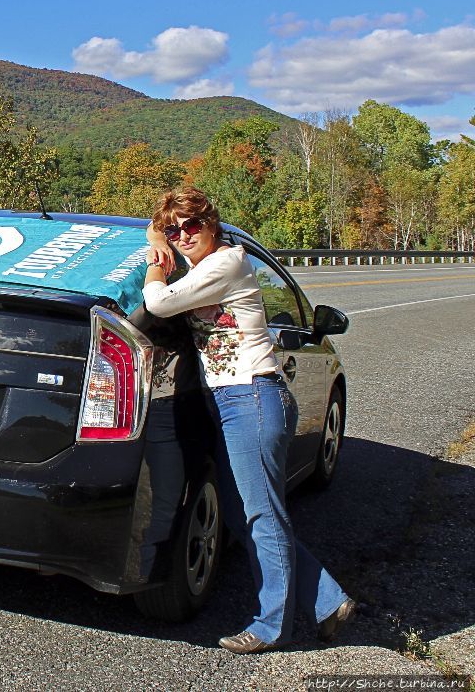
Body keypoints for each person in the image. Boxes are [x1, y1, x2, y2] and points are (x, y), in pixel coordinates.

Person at [142, 186, 355, 654]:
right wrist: (157, 231)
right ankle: (327, 601)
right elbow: (161, 229)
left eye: (192, 225)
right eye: (177, 230)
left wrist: (156, 260)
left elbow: (157, 303)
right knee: (242, 515)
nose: (185, 236)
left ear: (212, 222)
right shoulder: (198, 260)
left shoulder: (228, 262)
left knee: (262, 514)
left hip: (253, 397)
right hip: (229, 400)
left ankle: (272, 626)